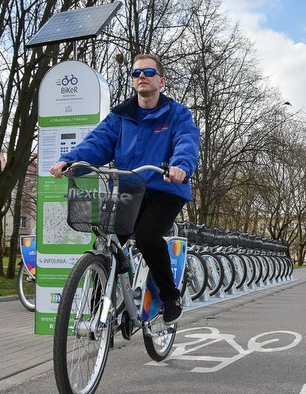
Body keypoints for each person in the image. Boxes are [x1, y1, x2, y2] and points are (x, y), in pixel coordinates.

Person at [49, 53, 199, 325]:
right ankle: (97, 311)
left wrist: (180, 166)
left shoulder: (177, 114)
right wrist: (71, 160)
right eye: (136, 73)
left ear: (161, 80)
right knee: (106, 240)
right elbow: (97, 143)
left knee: (146, 236)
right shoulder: (120, 116)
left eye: (148, 72)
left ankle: (170, 295)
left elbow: (186, 142)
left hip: (165, 189)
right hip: (130, 188)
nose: (141, 76)